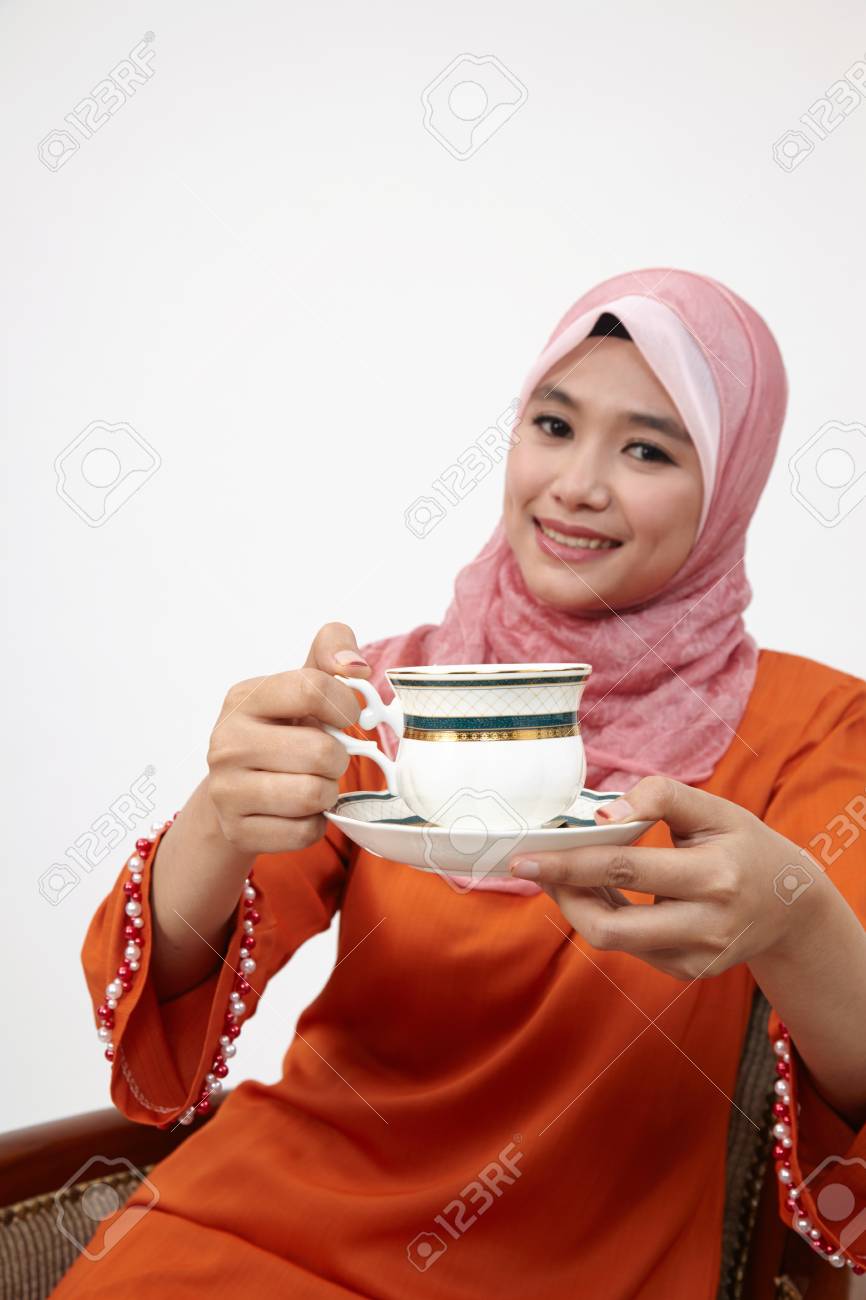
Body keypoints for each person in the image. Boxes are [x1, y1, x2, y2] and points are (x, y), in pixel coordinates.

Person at [53, 268, 866, 1298]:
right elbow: (165, 1024)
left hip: (567, 1267)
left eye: (647, 448)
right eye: (552, 425)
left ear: (730, 485)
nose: (575, 483)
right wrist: (218, 820)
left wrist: (794, 925)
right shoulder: (391, 694)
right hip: (258, 1231)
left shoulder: (815, 732)